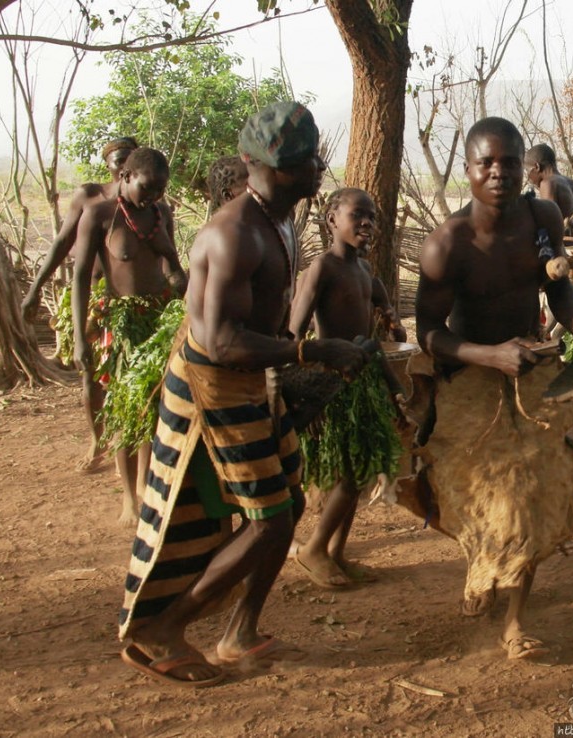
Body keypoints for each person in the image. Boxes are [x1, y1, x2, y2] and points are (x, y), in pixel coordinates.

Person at [118, 102, 369, 687]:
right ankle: (164, 629)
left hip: (251, 376)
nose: (317, 171)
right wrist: (311, 354)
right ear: (277, 170)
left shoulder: (274, 220)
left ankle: (240, 632)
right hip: (215, 384)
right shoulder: (233, 234)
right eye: (308, 162)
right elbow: (223, 341)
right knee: (268, 520)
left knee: (289, 504)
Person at [415, 116, 573, 660]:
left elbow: (561, 289)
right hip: (471, 376)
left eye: (508, 161)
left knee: (531, 490)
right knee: (476, 494)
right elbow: (427, 333)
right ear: (469, 171)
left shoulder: (541, 215)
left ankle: (515, 622)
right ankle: (481, 560)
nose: (498, 172)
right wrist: (488, 356)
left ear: (524, 165)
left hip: (532, 367)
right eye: (486, 163)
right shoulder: (447, 244)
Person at [289, 188, 403, 588]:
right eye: (358, 215)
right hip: (332, 385)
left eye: (372, 217)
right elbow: (294, 333)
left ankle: (335, 552)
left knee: (360, 468)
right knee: (351, 473)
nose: (368, 224)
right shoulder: (322, 269)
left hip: (362, 381)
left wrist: (391, 324)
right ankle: (314, 548)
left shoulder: (366, 274)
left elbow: (385, 335)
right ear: (331, 219)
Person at [72, 147, 187, 526]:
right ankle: (129, 499)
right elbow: (80, 278)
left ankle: (145, 486)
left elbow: (171, 264)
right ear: (125, 176)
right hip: (120, 325)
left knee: (154, 408)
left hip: (158, 321)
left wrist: (180, 284)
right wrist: (78, 337)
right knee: (124, 410)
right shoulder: (101, 215)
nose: (153, 196)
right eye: (147, 187)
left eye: (160, 190)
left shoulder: (160, 213)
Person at [23, 136, 139, 474]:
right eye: (118, 161)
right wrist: (34, 290)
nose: (123, 167)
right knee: (91, 375)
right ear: (108, 164)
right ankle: (97, 440)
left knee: (125, 376)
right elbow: (61, 243)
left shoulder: (144, 203)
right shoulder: (92, 198)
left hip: (129, 304)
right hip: (92, 300)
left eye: (129, 160)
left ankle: (128, 446)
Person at [524, 143, 573, 233]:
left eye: (527, 171)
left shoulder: (548, 184)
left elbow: (548, 226)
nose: (528, 177)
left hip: (565, 246)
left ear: (537, 167)